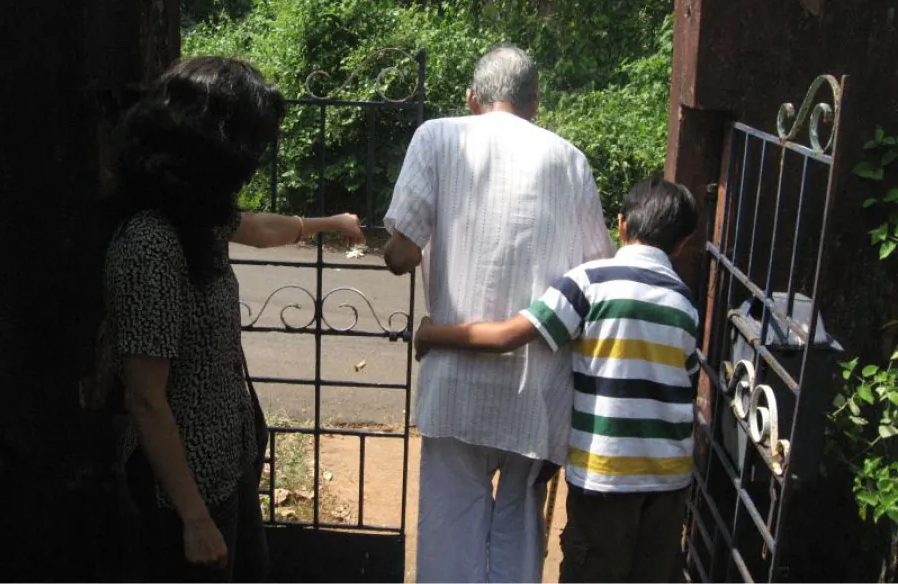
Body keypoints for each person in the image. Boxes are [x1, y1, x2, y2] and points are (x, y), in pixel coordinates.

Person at [103, 56, 364, 582]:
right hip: (184, 494)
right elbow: (146, 398)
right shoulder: (151, 242)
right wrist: (194, 519)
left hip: (227, 468)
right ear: (212, 148)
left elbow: (259, 228)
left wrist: (326, 223)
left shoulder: (191, 210)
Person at [383, 45, 616, 582]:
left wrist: (398, 246)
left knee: (449, 521)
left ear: (471, 98)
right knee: (517, 518)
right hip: (537, 388)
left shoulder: (438, 137)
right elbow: (595, 271)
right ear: (535, 102)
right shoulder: (570, 160)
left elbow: (402, 253)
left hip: (455, 376)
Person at [415, 177, 701, 583]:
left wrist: (431, 335)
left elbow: (507, 336)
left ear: (621, 224)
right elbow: (685, 388)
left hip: (605, 476)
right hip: (670, 481)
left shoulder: (591, 282)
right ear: (683, 243)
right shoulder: (684, 303)